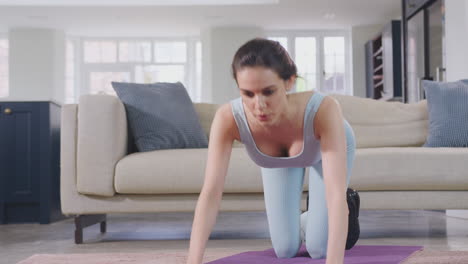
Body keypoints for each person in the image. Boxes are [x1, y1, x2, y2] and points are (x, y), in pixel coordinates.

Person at [186, 38, 357, 264]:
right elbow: (211, 193)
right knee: (285, 249)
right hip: (277, 160)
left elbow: (335, 195)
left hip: (323, 147)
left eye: (268, 92)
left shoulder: (324, 109)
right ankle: (314, 218)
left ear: (289, 82)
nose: (259, 105)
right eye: (247, 94)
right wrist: (193, 261)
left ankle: (348, 209)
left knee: (319, 248)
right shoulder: (228, 118)